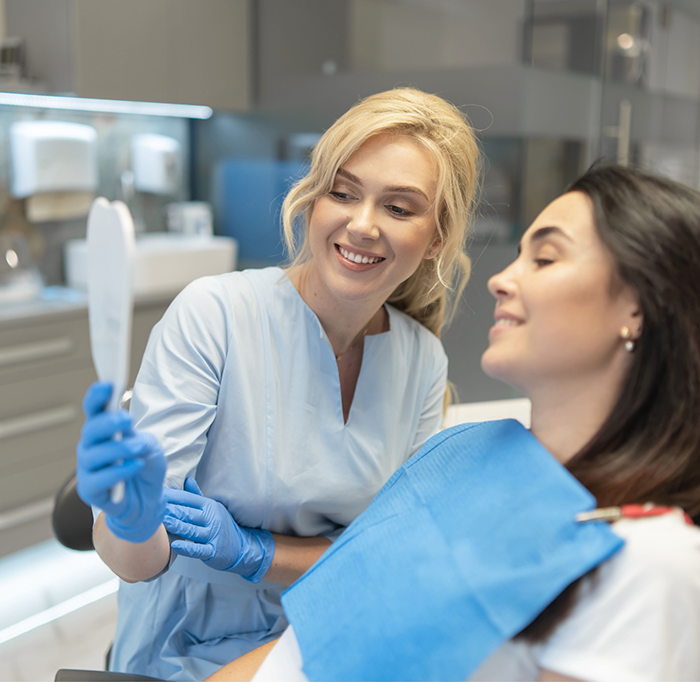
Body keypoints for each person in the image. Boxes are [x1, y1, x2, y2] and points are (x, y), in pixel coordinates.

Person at [210, 164, 700, 682]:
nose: (501, 279)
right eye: (518, 256)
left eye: (546, 258)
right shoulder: (463, 454)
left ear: (639, 307)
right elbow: (301, 653)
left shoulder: (648, 558)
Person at [75, 87, 481, 681]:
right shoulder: (214, 315)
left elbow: (388, 558)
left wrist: (253, 552)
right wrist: (129, 523)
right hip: (188, 648)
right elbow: (138, 562)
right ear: (314, 201)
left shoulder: (421, 361)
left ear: (437, 236)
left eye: (399, 208)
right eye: (343, 193)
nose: (362, 225)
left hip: (331, 638)